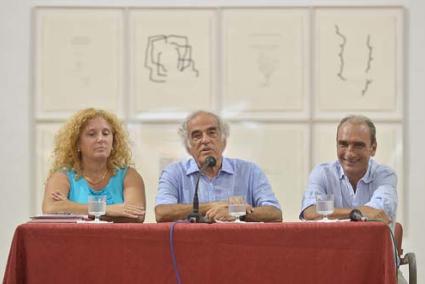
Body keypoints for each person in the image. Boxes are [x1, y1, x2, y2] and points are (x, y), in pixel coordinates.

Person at [155, 110, 282, 223]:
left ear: (223, 140)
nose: (205, 140)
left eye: (212, 133)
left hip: (239, 245)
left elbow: (274, 213)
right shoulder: (174, 173)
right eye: (197, 136)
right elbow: (162, 212)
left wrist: (235, 212)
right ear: (188, 146)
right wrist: (213, 206)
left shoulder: (249, 171)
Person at [42, 108, 146, 222]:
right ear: (77, 144)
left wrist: (71, 207)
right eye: (92, 134)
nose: (101, 139)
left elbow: (136, 215)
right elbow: (51, 208)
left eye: (106, 133)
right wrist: (107, 210)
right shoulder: (62, 177)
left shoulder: (129, 175)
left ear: (113, 142)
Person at [300, 115, 397, 224]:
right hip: (333, 241)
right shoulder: (324, 174)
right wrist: (355, 212)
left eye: (358, 145)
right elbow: (311, 212)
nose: (350, 153)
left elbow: (378, 212)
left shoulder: (384, 175)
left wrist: (331, 212)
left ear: (373, 148)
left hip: (371, 241)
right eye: (343, 144)